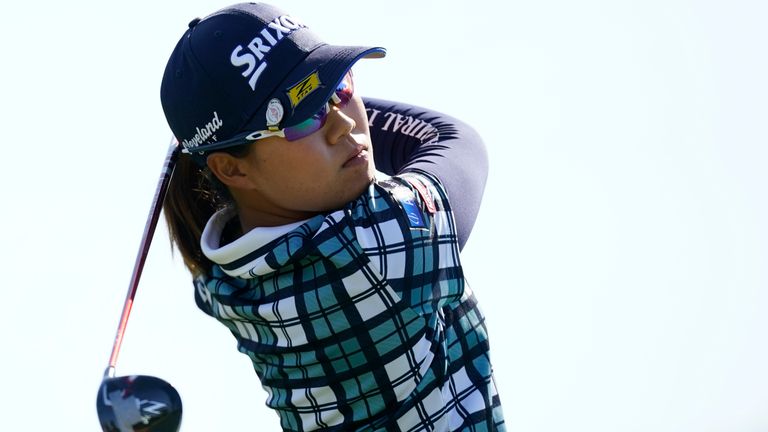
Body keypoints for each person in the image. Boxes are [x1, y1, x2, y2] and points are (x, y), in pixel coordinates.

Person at [160, 3, 505, 431]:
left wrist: (278, 110)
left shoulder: (221, 282)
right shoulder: (379, 242)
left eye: (340, 86)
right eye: (301, 114)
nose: (343, 125)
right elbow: (455, 140)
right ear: (231, 168)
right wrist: (318, 88)